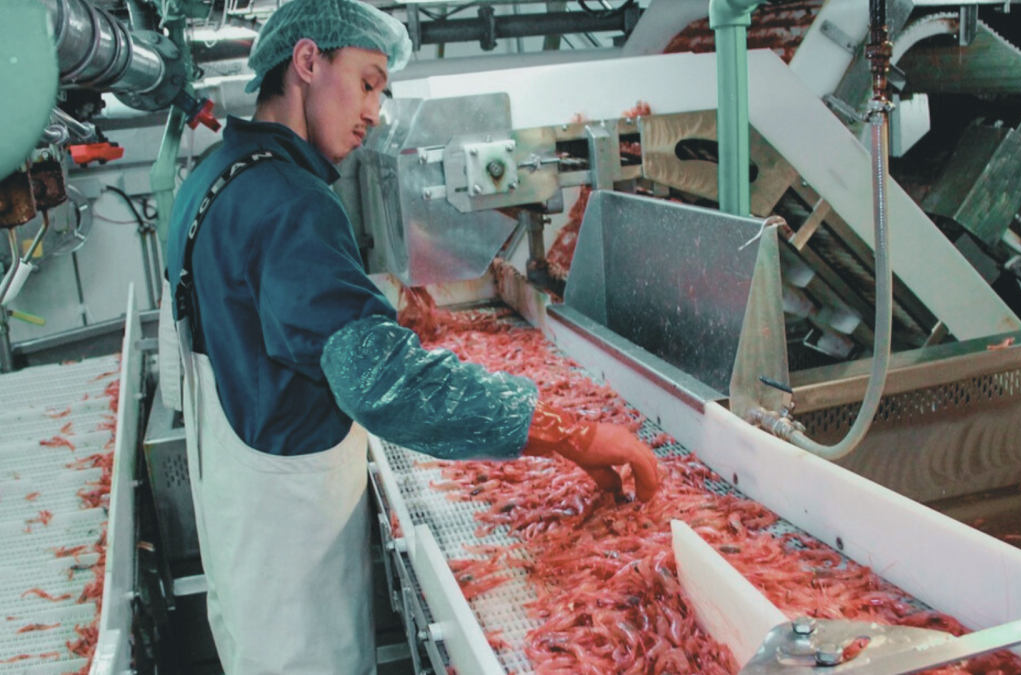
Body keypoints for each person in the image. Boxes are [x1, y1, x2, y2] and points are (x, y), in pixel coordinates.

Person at [164, 0, 660, 673]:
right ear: (308, 62)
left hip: (245, 534)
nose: (374, 112)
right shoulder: (289, 203)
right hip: (293, 572)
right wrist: (572, 433)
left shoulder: (207, 181)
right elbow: (384, 382)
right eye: (367, 82)